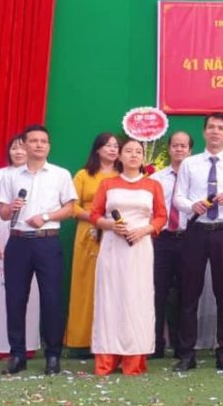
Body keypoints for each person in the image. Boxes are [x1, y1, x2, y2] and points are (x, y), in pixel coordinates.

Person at [172, 112, 223, 373]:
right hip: (196, 230)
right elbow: (178, 198)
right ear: (204, 132)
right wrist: (191, 205)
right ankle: (187, 353)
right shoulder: (190, 163)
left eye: (221, 128)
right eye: (211, 127)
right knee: (189, 293)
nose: (216, 132)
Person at [0, 124, 77, 376]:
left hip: (47, 240)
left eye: (43, 141)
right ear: (24, 144)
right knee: (15, 299)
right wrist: (11, 207)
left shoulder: (60, 174)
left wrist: (45, 216)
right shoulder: (11, 177)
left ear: (49, 146)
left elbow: (70, 208)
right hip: (18, 241)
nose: (39, 145)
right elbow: (2, 213)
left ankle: (53, 355)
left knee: (52, 299)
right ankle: (17, 355)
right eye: (33, 141)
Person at [89, 138, 167, 375]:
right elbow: (94, 215)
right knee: (110, 297)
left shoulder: (153, 185)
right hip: (113, 247)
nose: (133, 155)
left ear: (143, 157)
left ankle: (134, 358)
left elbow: (162, 216)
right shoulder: (107, 184)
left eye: (138, 151)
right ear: (120, 156)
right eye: (128, 151)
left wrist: (145, 230)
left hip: (140, 247)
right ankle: (106, 358)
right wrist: (111, 226)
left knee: (137, 298)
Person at [0, 135, 42, 356]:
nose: (19, 152)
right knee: (0, 287)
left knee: (30, 289)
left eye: (23, 147)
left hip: (30, 234)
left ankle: (27, 344)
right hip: (3, 233)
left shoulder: (38, 175)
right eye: (14, 148)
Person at [64, 133, 121, 352]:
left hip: (115, 231)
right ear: (97, 149)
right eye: (108, 146)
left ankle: (109, 340)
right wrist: (96, 219)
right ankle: (82, 340)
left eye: (116, 146)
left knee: (113, 285)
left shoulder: (123, 175)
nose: (113, 149)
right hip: (88, 232)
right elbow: (72, 206)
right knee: (86, 285)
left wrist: (109, 222)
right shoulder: (84, 175)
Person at [150, 131, 193, 359]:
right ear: (169, 148)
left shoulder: (195, 177)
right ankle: (155, 344)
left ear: (190, 150)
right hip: (163, 239)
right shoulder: (157, 178)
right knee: (158, 292)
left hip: (189, 238)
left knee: (186, 293)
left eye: (183, 146)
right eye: (175, 145)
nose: (179, 149)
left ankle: (181, 345)